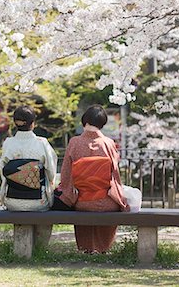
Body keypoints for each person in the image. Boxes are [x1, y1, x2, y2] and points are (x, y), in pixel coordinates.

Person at [57, 104, 129, 253]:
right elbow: (114, 175)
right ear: (102, 124)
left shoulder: (74, 142)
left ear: (85, 121)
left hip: (83, 201)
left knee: (80, 204)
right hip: (108, 201)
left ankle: (86, 249)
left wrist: (67, 194)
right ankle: (104, 248)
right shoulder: (109, 143)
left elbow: (66, 174)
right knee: (109, 205)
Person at [0, 105, 57, 211]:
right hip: (39, 200)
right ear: (33, 123)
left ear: (15, 123)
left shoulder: (8, 143)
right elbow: (51, 172)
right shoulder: (42, 143)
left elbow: (2, 171)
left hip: (12, 200)